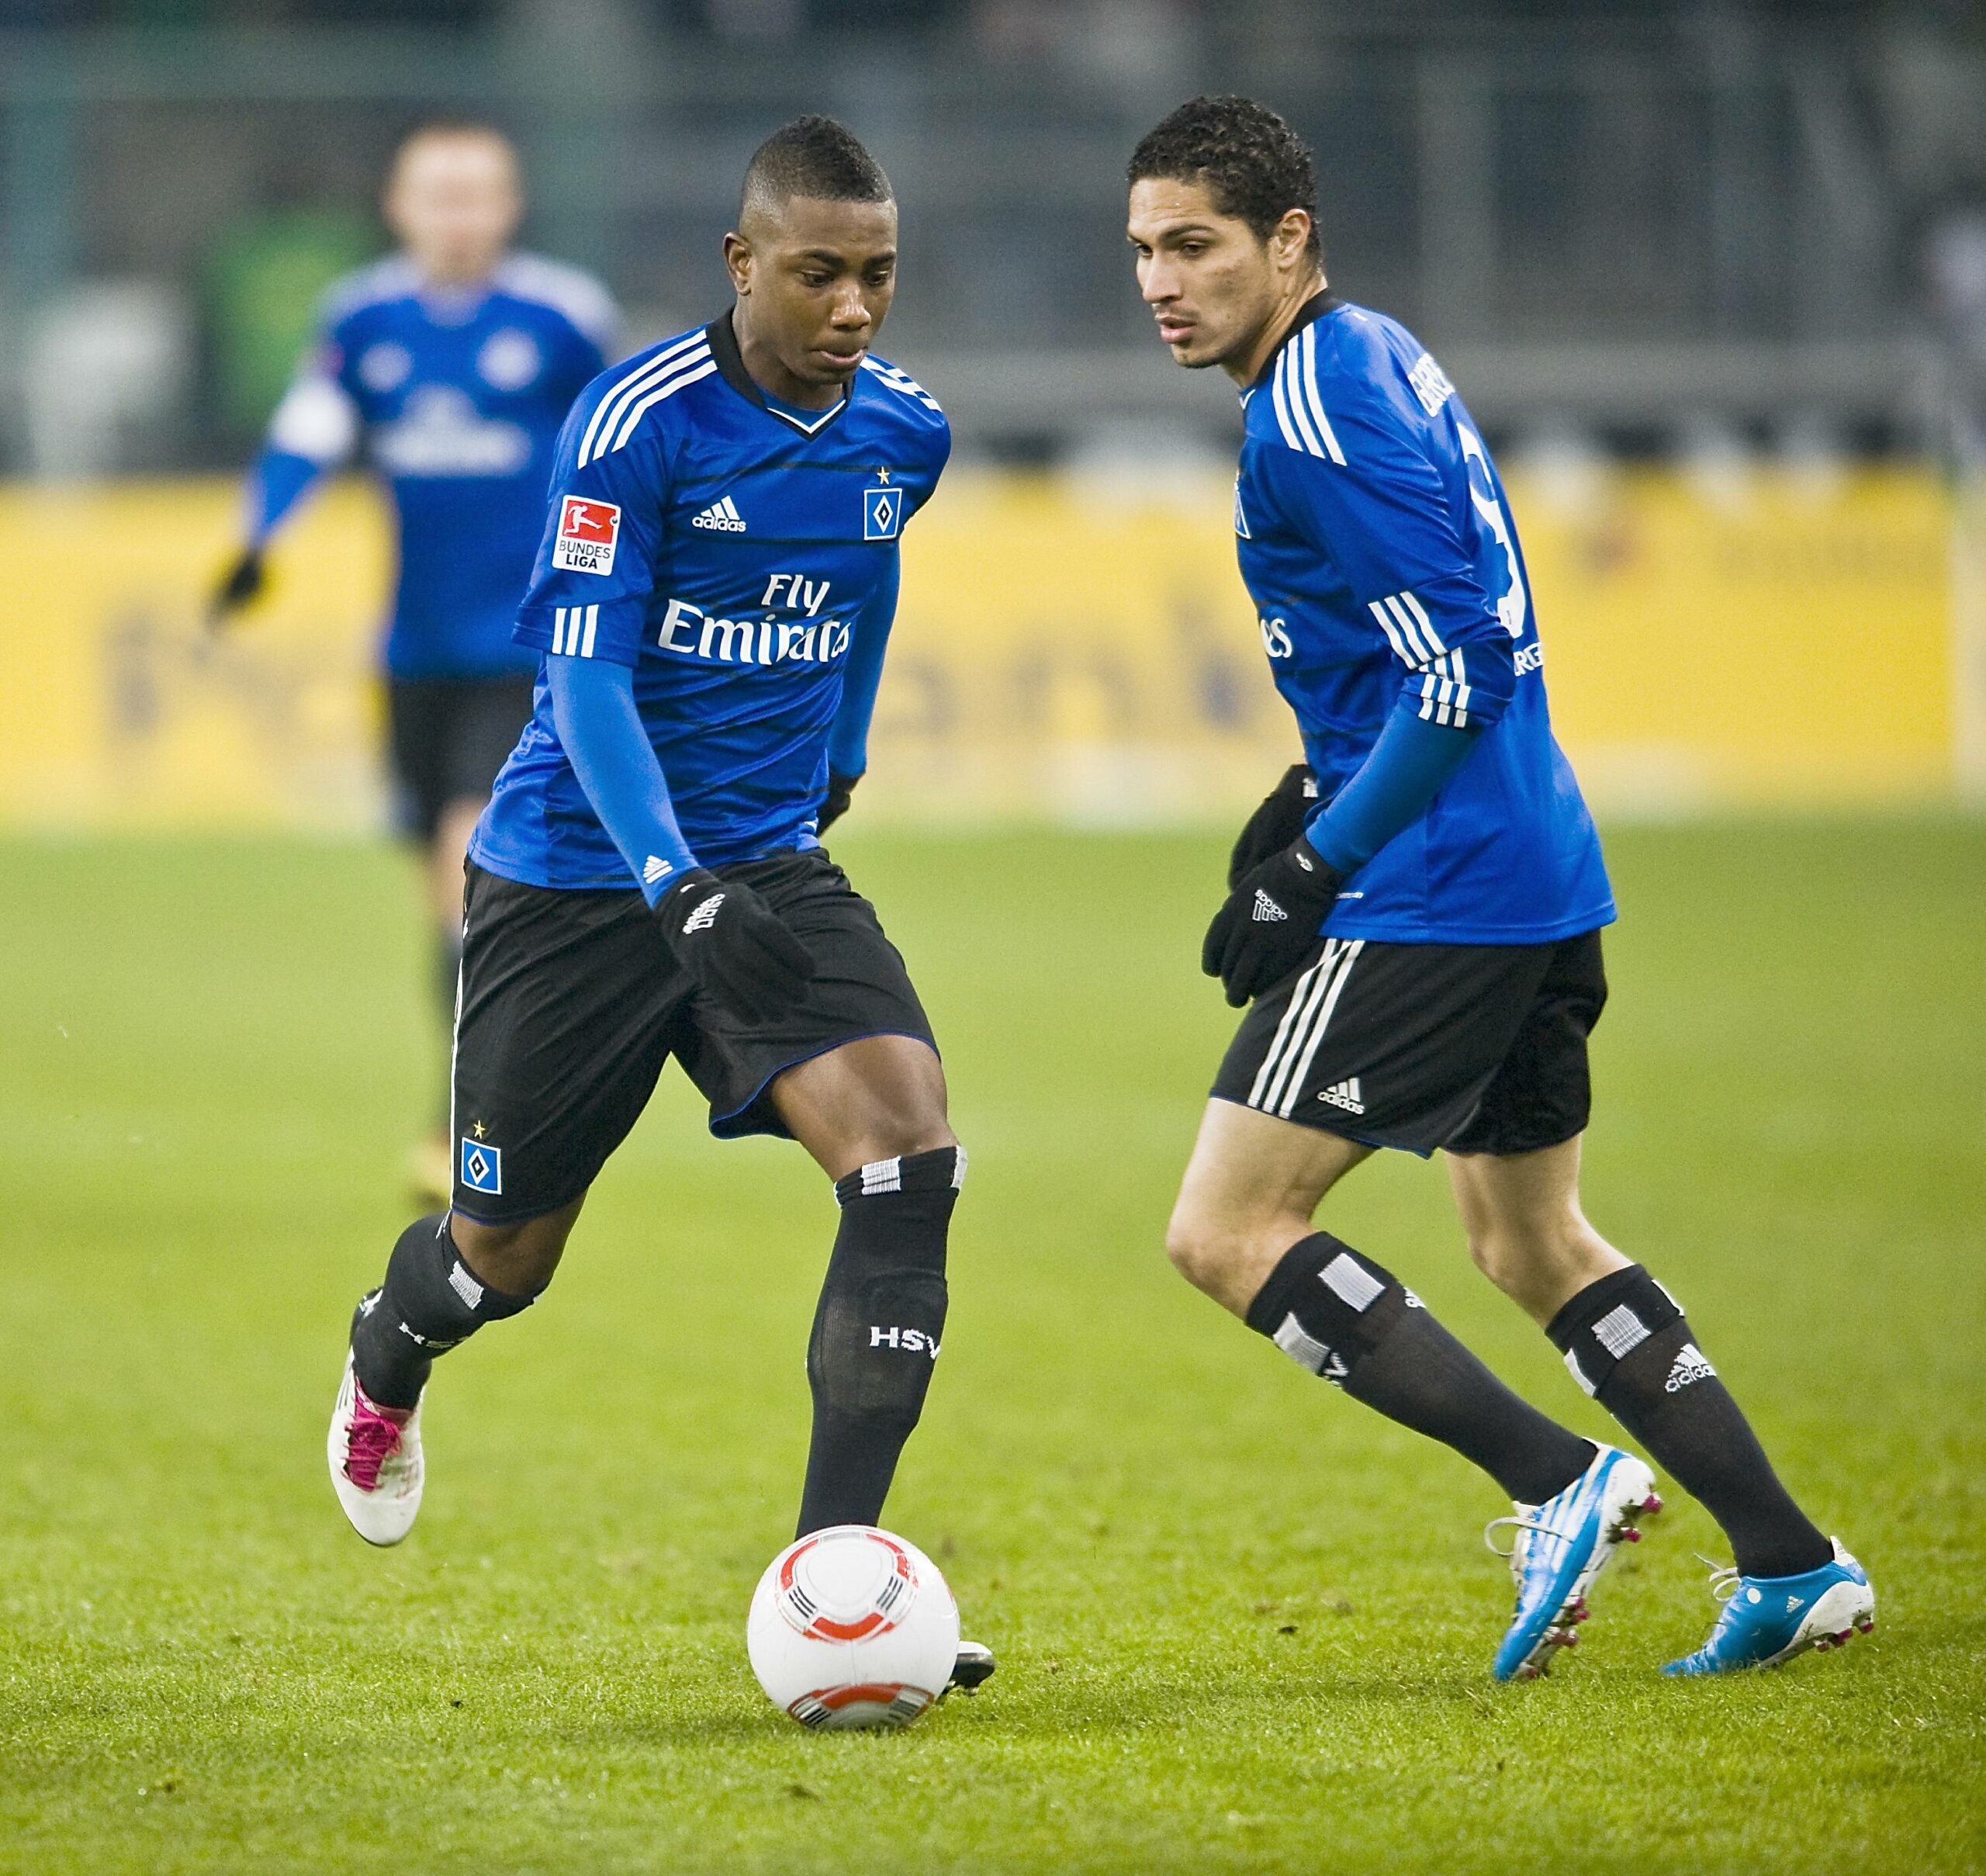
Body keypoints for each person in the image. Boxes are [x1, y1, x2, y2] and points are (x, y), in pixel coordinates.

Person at [1125, 95, 1873, 1679]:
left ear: (1288, 241)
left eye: (1191, 245)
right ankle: (1789, 1561)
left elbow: (1453, 668)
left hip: (1436, 885)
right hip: (1533, 861)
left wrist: (1321, 863)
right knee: (1532, 1242)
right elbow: (1411, 648)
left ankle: (1554, 1481)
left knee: (1224, 1227)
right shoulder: (1373, 353)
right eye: (1141, 250)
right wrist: (1298, 801)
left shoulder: (1307, 411)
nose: (1160, 280)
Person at [323, 116, 992, 1693]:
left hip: (762, 864)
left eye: (878, 277)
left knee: (907, 1155)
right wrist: (665, 878)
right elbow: (583, 677)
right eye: (818, 274)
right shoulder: (636, 422)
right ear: (739, 261)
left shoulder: (905, 431)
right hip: (577, 878)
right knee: (503, 1259)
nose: (852, 308)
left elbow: (872, 572)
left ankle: (839, 1580)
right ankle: (386, 1350)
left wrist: (840, 749)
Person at [211, 119, 618, 1200]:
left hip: (521, 652)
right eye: (437, 195)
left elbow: (623, 446)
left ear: (509, 204)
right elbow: (309, 431)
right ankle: (496, 1091)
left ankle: (464, 1130)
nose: (457, 215)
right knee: (450, 899)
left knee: (466, 875)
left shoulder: (561, 318)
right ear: (399, 207)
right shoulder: (363, 318)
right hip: (413, 657)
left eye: (476, 194)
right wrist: (260, 537)